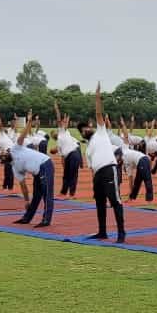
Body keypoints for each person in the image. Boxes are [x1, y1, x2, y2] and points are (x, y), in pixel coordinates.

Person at [76, 84, 126, 243]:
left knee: (115, 201)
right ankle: (102, 232)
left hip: (109, 170)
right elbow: (91, 169)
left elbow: (98, 113)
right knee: (99, 203)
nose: (86, 130)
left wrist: (97, 98)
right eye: (83, 130)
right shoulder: (87, 149)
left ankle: (121, 233)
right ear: (82, 134)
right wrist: (94, 184)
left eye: (87, 127)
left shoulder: (101, 132)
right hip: (98, 176)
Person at [1, 111, 55, 227]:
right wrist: (26, 200)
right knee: (36, 196)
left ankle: (46, 220)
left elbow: (23, 135)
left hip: (45, 164)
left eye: (4, 153)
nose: (5, 153)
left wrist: (29, 121)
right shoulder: (15, 168)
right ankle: (27, 218)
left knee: (46, 193)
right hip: (37, 172)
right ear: (6, 161)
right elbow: (23, 186)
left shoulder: (15, 148)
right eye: (3, 156)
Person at [54, 102, 83, 197]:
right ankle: (64, 192)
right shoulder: (58, 143)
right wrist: (64, 167)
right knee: (67, 174)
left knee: (73, 175)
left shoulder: (63, 131)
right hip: (70, 156)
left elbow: (59, 120)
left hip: (75, 154)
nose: (53, 133)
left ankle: (71, 193)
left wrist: (57, 109)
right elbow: (63, 157)